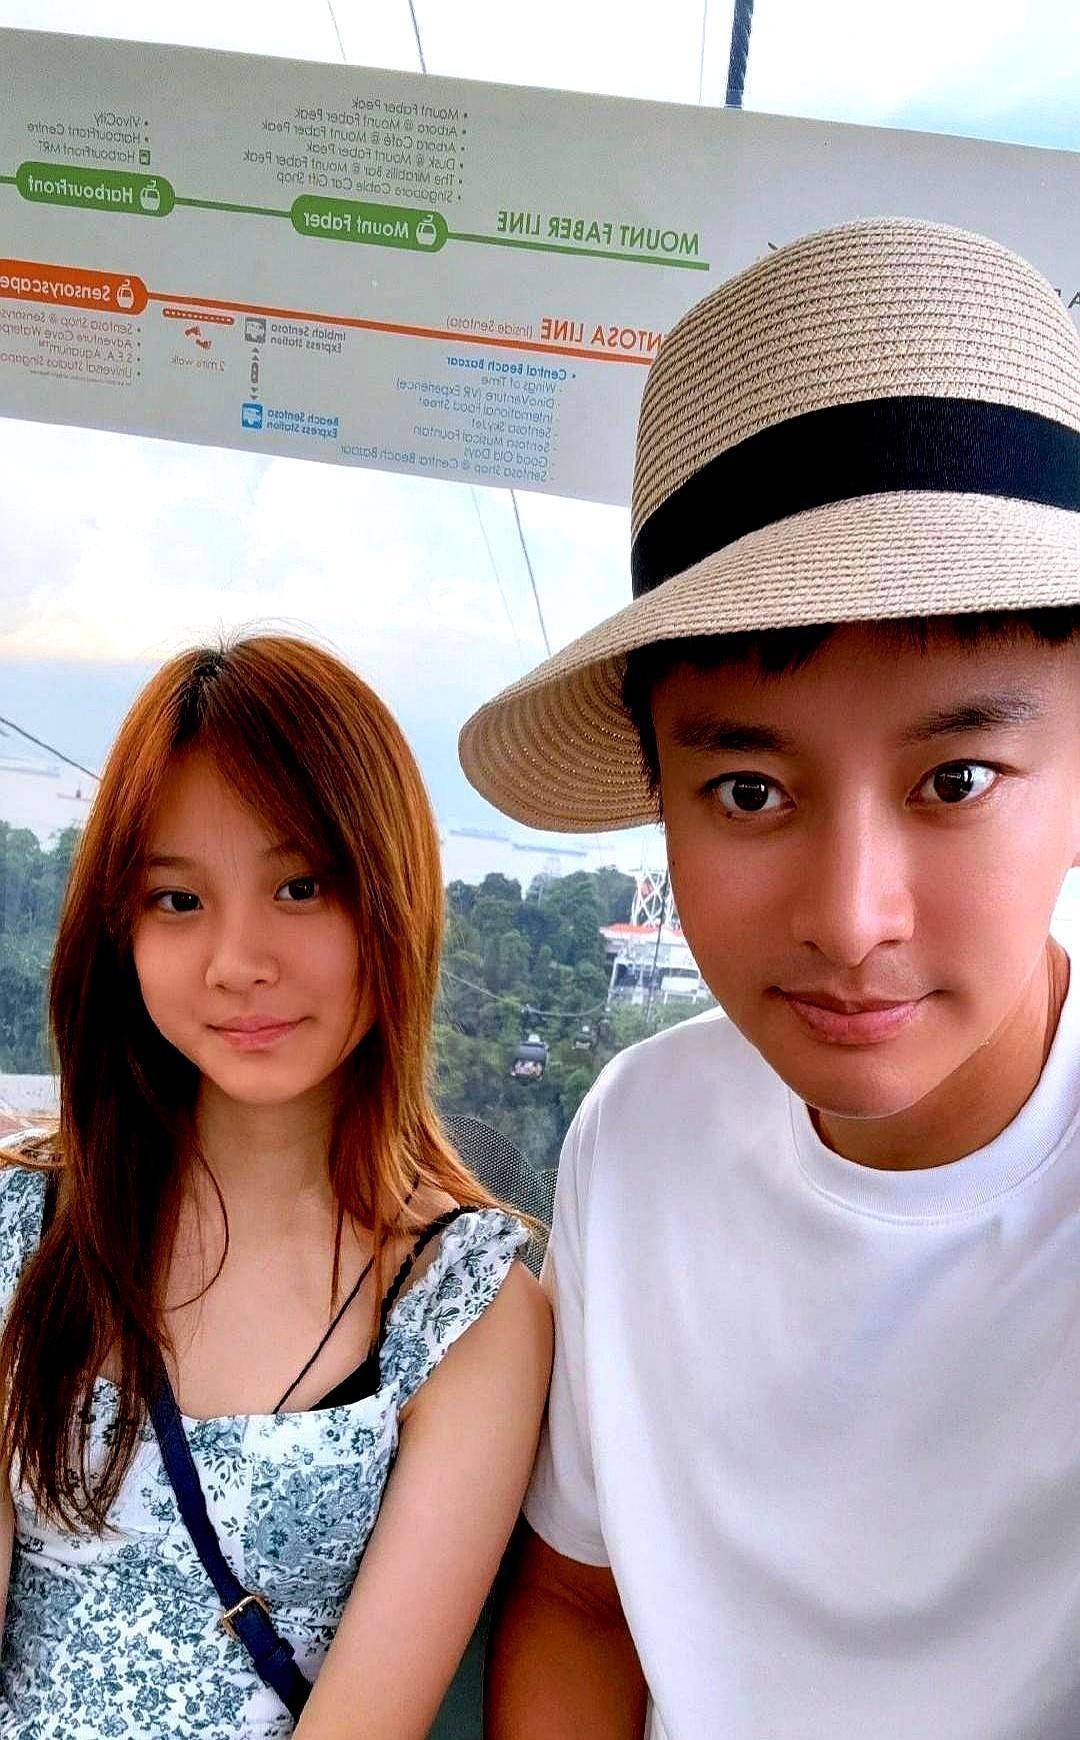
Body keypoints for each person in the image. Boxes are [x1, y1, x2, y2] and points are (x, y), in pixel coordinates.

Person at [458, 217, 1080, 1739]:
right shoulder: (639, 1132)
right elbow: (584, 1599)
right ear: (662, 798)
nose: (852, 919)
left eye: (956, 779)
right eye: (749, 791)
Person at [0, 634, 552, 1739]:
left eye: (300, 887)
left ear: (394, 899)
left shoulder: (461, 1309)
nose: (237, 961)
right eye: (176, 900)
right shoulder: (28, 1228)